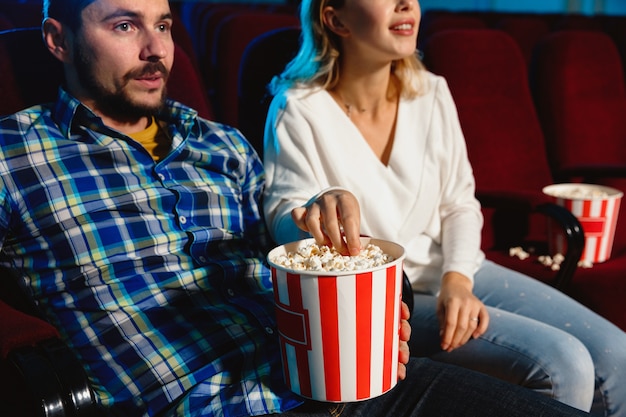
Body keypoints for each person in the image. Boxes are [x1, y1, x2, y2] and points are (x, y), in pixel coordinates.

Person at [0, 0, 594, 416]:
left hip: (343, 379)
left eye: (164, 24)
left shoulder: (220, 142)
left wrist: (317, 214)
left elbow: (280, 233)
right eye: (125, 25)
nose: (156, 49)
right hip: (212, 402)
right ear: (58, 40)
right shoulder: (14, 154)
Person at [262, 0, 626, 416]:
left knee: (618, 356)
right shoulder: (297, 108)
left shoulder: (432, 92)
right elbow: (283, 215)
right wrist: (311, 212)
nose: (406, 4)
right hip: (383, 296)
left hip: (456, 268)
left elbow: (460, 203)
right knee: (563, 364)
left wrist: (458, 279)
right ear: (334, 18)